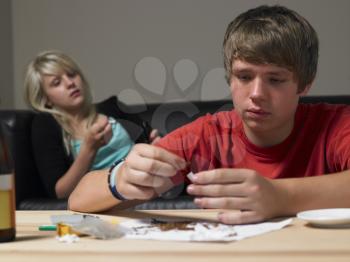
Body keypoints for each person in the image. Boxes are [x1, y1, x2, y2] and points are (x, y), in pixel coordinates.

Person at [68, 5, 350, 224]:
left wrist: (279, 196)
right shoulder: (208, 134)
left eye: (275, 80)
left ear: (305, 83)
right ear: (229, 78)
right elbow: (78, 200)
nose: (257, 93)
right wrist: (122, 178)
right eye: (243, 76)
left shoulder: (337, 124)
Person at [24, 50, 159, 199]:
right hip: (103, 197)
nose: (70, 83)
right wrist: (89, 149)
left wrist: (156, 146)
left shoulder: (113, 107)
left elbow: (149, 141)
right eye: (57, 82)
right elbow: (61, 193)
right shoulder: (45, 125)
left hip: (148, 184)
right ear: (46, 99)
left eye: (71, 74)